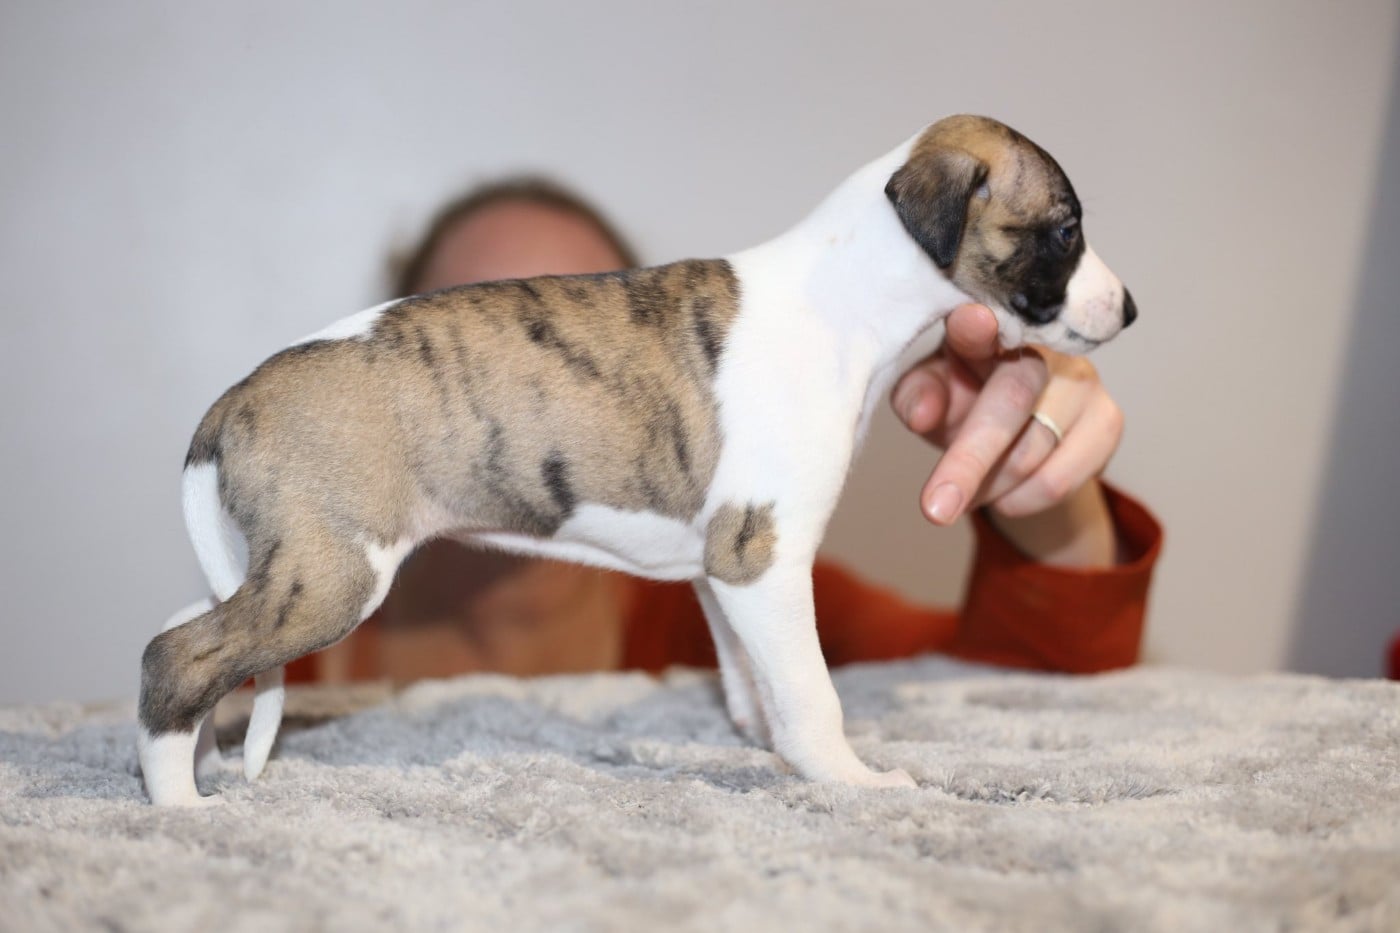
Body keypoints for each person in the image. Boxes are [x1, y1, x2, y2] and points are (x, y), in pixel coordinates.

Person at [288, 178, 1161, 685]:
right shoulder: (288, 636)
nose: (531, 389)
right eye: (476, 340)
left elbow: (1036, 686)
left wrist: (1051, 499)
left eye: (570, 342)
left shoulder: (740, 586)